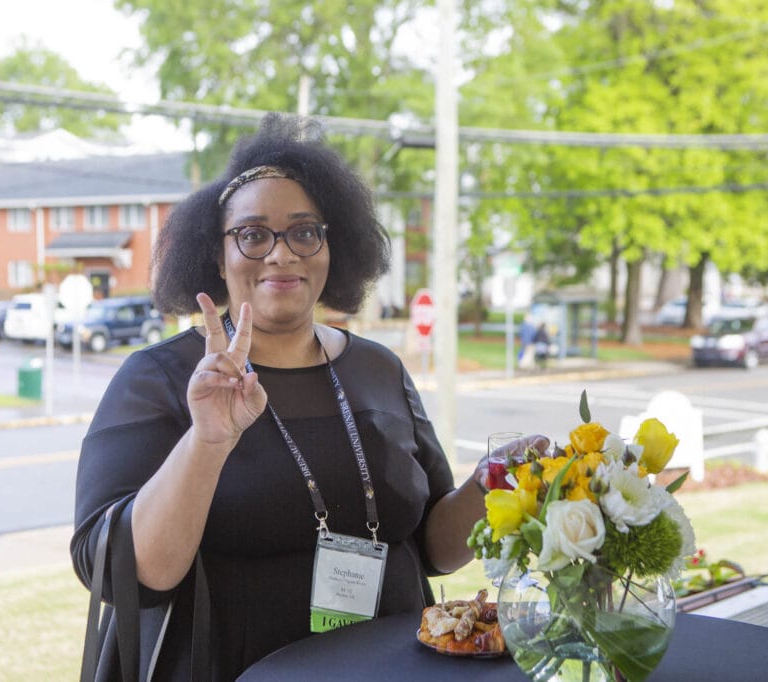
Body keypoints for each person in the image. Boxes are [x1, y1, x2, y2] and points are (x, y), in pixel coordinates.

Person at [70, 113, 546, 681]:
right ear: (216, 255)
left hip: (397, 668)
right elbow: (132, 572)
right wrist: (208, 440)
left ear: (329, 247)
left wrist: (489, 483)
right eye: (251, 234)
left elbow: (434, 548)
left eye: (304, 231)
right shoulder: (160, 378)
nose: (281, 254)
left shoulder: (379, 369)